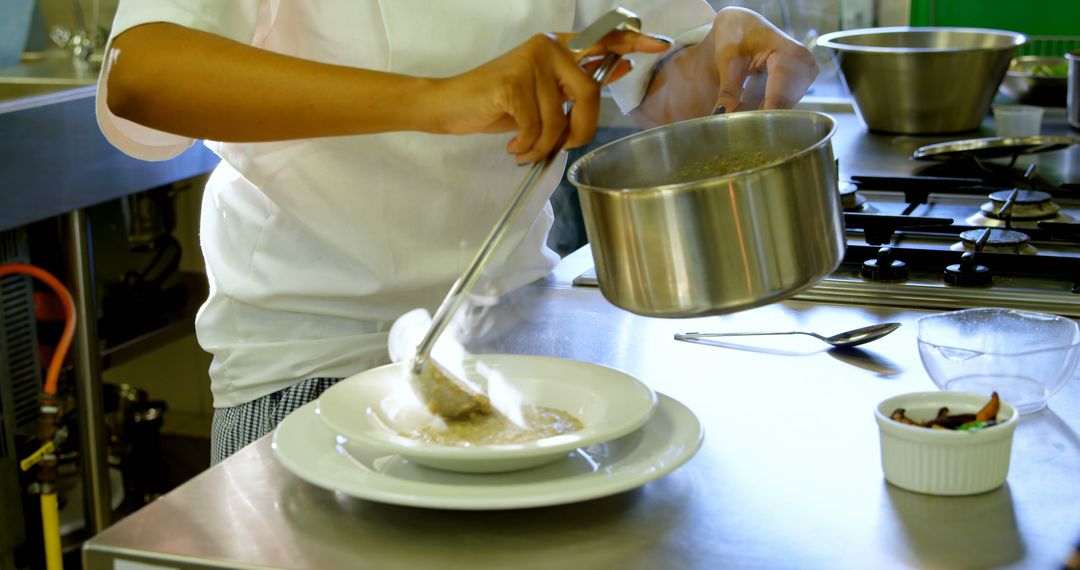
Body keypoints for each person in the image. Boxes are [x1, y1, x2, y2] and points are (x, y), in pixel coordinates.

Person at [96, 1, 818, 463]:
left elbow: (662, 87)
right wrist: (436, 101)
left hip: (520, 344)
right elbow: (143, 71)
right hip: (313, 364)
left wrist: (726, 52)